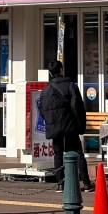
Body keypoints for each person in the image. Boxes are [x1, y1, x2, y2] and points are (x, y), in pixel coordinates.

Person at [40, 60, 95, 192]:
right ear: (61, 70)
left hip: (55, 127)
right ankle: (86, 183)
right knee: (78, 153)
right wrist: (80, 125)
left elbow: (42, 111)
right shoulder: (71, 86)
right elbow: (78, 108)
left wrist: (51, 123)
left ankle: (60, 184)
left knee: (57, 154)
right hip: (70, 126)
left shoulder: (46, 90)